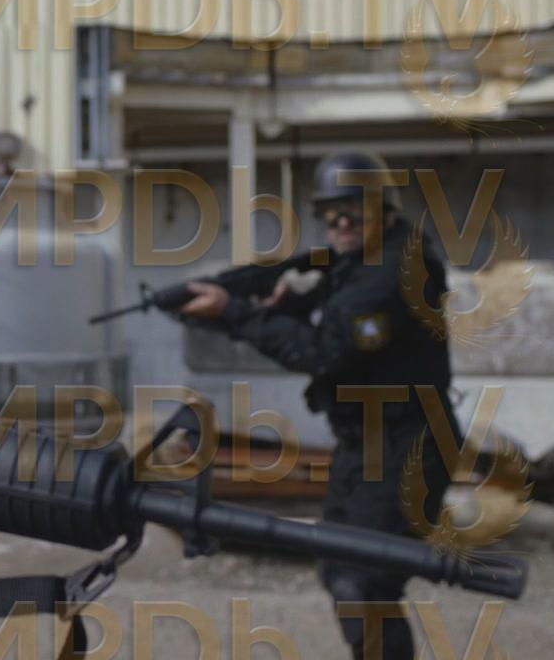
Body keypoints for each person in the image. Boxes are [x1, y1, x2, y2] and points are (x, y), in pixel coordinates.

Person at [178, 152, 457, 660]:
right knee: (339, 568)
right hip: (366, 444)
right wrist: (273, 302)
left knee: (365, 580)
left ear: (383, 209)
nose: (342, 222)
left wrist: (235, 312)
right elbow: (323, 302)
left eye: (354, 209)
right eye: (331, 214)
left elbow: (322, 351)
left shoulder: (394, 273)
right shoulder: (361, 261)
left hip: (408, 448)